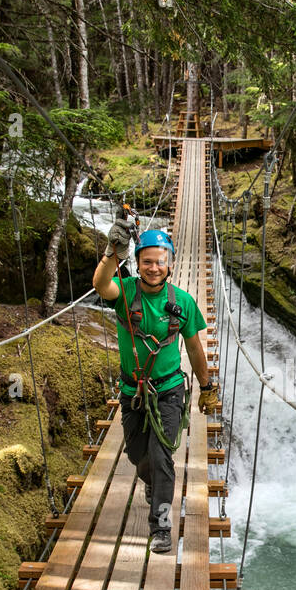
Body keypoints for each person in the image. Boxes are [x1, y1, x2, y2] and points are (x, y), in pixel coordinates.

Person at [93, 213, 220, 553]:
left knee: (162, 455)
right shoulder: (125, 292)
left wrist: (206, 386)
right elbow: (101, 285)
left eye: (160, 262)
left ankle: (161, 527)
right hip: (133, 391)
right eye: (147, 262)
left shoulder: (183, 302)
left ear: (170, 265)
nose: (153, 268)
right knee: (138, 454)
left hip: (168, 389)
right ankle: (150, 482)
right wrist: (111, 253)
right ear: (137, 263)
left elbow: (194, 347)